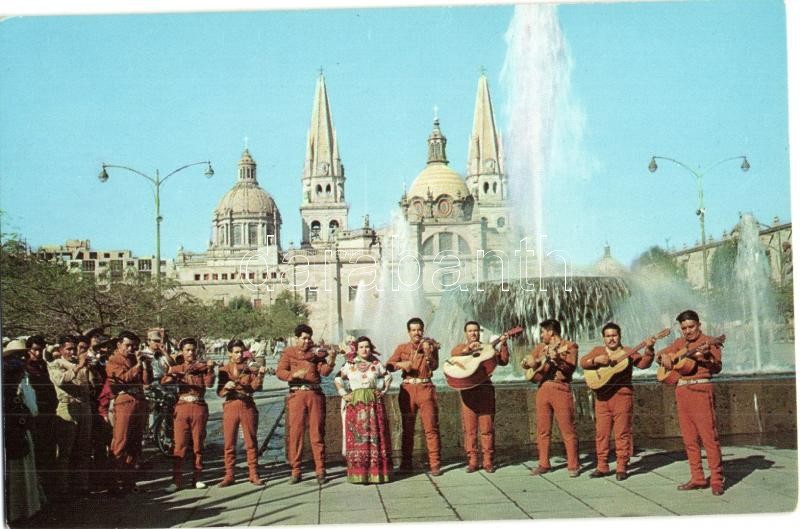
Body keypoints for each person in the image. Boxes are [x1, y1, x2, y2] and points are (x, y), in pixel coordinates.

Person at [656, 309, 724, 495]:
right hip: (682, 391)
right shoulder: (680, 343)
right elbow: (659, 355)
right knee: (689, 439)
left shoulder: (709, 341)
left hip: (701, 389)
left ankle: (717, 479)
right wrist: (664, 357)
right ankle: (697, 478)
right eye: (684, 328)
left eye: (691, 326)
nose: (688, 331)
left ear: (699, 325)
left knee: (709, 437)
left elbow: (717, 367)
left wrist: (706, 357)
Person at [579, 322, 656, 480]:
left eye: (614, 335)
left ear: (620, 336)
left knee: (622, 433)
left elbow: (643, 364)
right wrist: (595, 361)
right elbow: (583, 362)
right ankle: (602, 466)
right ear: (603, 338)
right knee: (601, 433)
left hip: (622, 396)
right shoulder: (598, 351)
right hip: (602, 398)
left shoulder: (628, 351)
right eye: (608, 336)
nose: (611, 339)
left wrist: (649, 349)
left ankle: (622, 466)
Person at [276, 324, 337, 484]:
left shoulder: (316, 353)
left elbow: (324, 372)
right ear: (296, 338)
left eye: (309, 338)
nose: (307, 341)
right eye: (303, 338)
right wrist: (293, 374)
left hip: (314, 394)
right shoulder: (289, 352)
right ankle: (296, 470)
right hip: (297, 395)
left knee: (317, 433)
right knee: (295, 433)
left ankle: (320, 470)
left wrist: (331, 360)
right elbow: (280, 372)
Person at [521, 319, 580, 477]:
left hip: (560, 387)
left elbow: (570, 367)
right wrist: (527, 363)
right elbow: (528, 361)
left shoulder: (570, 346)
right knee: (543, 429)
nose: (541, 335)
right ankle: (543, 464)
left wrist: (558, 360)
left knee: (567, 429)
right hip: (542, 388)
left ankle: (573, 465)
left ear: (551, 331)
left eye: (542, 332)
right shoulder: (541, 347)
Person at [450, 321, 509, 473]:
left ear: (479, 332)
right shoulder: (460, 348)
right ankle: (473, 461)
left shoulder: (488, 348)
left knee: (487, 427)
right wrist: (468, 349)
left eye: (475, 330)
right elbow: (453, 355)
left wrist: (503, 344)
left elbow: (503, 361)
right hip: (468, 391)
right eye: (470, 331)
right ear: (466, 333)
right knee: (469, 429)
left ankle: (488, 461)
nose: (473, 333)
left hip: (485, 389)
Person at [386, 317, 442, 476]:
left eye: (419, 329)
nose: (417, 332)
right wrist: (401, 364)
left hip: (425, 388)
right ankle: (406, 464)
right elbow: (388, 366)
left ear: (423, 330)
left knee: (431, 428)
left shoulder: (430, 346)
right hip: (408, 389)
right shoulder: (402, 348)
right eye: (413, 330)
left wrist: (429, 354)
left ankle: (435, 464)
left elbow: (435, 366)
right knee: (407, 428)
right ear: (409, 332)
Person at [334, 336, 393, 484]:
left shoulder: (376, 363)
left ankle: (377, 473)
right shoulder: (350, 364)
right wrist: (344, 394)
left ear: (370, 348)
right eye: (361, 347)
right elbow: (337, 379)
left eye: (367, 347)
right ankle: (359, 474)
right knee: (357, 437)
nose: (364, 349)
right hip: (356, 404)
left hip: (373, 403)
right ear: (356, 349)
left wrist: (383, 390)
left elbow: (388, 376)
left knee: (375, 437)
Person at [161, 337, 216, 492]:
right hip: (182, 407)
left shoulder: (202, 367)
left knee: (198, 444)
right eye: (187, 350)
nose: (191, 353)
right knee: (179, 445)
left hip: (198, 406)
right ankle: (176, 480)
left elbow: (210, 383)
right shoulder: (177, 367)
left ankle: (198, 477)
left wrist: (210, 369)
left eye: (193, 350)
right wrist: (172, 374)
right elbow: (164, 382)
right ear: (182, 352)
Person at [217, 338, 268, 487]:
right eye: (236, 352)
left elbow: (254, 388)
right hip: (231, 405)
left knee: (251, 441)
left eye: (241, 352)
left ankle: (253, 473)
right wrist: (226, 387)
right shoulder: (224, 370)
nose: (239, 355)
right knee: (229, 442)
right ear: (230, 353)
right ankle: (229, 475)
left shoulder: (249, 367)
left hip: (247, 404)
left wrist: (260, 376)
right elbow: (219, 392)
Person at [3, 339, 45, 523]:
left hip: (20, 427)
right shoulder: (9, 375)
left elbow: (30, 404)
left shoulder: (22, 375)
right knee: (14, 471)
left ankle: (24, 509)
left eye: (22, 355)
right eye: (17, 355)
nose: (20, 359)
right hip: (12, 429)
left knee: (23, 469)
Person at [48, 335, 94, 496]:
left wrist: (88, 368)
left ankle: (81, 486)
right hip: (68, 406)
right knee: (65, 450)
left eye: (74, 349)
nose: (72, 352)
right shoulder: (55, 364)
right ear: (61, 349)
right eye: (68, 349)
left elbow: (91, 384)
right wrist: (78, 367)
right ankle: (62, 488)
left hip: (84, 406)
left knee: (83, 448)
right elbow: (60, 380)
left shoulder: (80, 363)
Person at [106, 330, 151, 493]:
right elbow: (122, 379)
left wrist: (145, 366)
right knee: (120, 442)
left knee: (135, 444)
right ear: (119, 345)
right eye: (128, 345)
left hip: (139, 401)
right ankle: (113, 483)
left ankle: (129, 482)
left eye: (134, 346)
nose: (131, 349)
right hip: (124, 401)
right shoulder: (113, 360)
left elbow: (147, 381)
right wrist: (138, 366)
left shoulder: (135, 359)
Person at [25, 334, 58, 493]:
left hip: (49, 413)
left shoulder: (44, 365)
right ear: (28, 349)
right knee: (38, 451)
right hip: (35, 414)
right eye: (35, 350)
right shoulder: (25, 367)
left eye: (41, 350)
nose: (38, 353)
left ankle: (48, 488)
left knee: (48, 450)